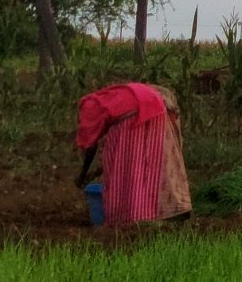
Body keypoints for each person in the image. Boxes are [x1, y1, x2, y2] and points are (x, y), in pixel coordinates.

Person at [74, 81, 192, 226]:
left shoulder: (90, 107)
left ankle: (131, 214)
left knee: (125, 165)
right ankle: (159, 211)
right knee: (151, 165)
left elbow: (90, 147)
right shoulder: (107, 97)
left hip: (137, 114)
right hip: (156, 110)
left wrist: (82, 175)